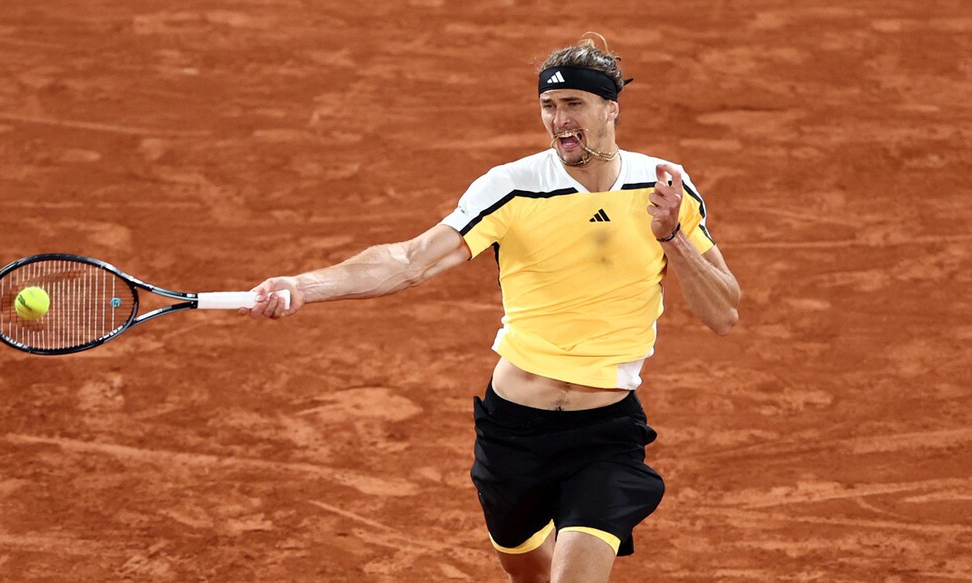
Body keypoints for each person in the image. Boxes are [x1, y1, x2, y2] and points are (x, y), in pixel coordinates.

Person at [241, 33, 741, 583]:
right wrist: (306, 285)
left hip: (605, 433)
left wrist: (671, 237)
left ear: (610, 108)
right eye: (548, 106)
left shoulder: (664, 186)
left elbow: (724, 313)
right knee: (524, 570)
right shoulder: (513, 187)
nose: (557, 120)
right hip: (514, 431)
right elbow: (410, 260)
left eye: (573, 103)